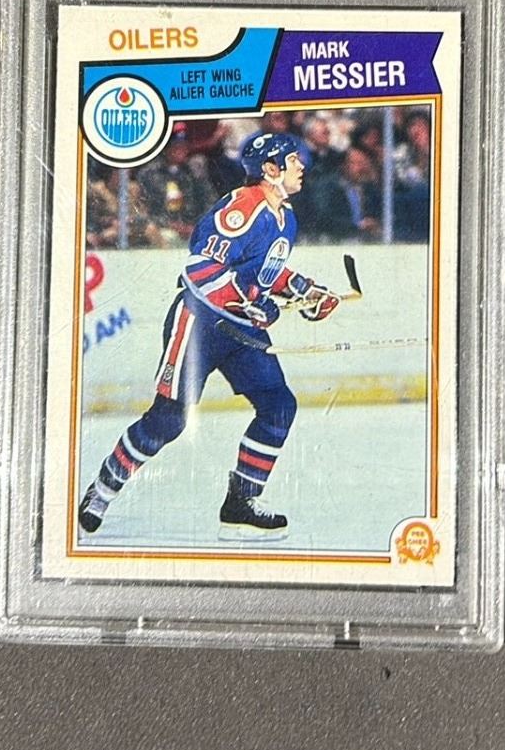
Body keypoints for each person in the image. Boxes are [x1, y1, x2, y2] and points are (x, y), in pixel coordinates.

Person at [76, 132, 342, 540]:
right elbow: (199, 270)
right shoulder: (241, 209)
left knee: (278, 405)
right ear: (270, 169)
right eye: (293, 160)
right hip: (200, 324)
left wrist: (305, 291)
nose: (301, 166)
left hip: (240, 330)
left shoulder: (285, 217)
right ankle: (102, 490)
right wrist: (248, 303)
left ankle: (240, 503)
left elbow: (265, 272)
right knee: (169, 420)